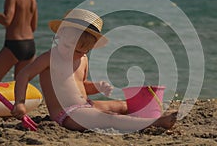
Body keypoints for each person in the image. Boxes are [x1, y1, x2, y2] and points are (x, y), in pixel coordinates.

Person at [11, 9, 177, 132]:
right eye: (72, 48)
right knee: (110, 119)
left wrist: (97, 87)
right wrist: (20, 102)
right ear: (61, 36)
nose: (79, 54)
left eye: (85, 51)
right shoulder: (50, 58)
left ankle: (144, 114)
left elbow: (81, 86)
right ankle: (154, 122)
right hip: (68, 115)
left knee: (120, 105)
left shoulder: (82, 59)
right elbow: (24, 75)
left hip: (85, 106)